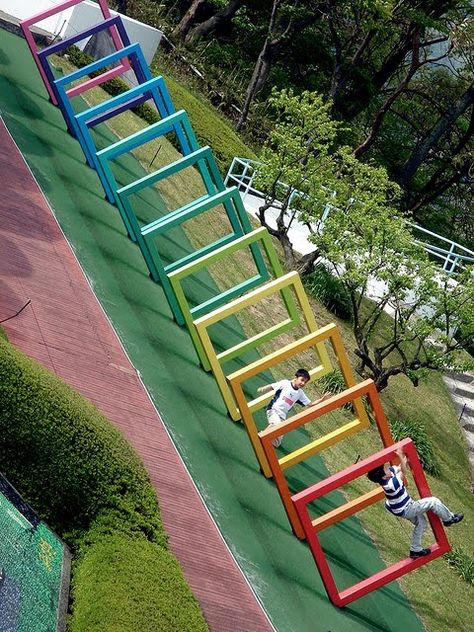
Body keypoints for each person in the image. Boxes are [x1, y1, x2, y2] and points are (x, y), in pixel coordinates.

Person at [367, 448, 464, 558]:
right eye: (385, 470)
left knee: (422, 524)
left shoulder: (387, 475)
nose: (388, 469)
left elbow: (399, 468)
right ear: (384, 476)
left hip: (401, 508)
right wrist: (400, 455)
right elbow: (403, 472)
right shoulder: (390, 484)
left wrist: (407, 458)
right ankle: (449, 519)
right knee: (433, 501)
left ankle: (415, 550)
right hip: (407, 509)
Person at [257, 368, 331, 448]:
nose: (303, 383)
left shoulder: (300, 393)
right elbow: (272, 386)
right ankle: (260, 436)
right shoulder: (285, 383)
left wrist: (322, 399)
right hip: (273, 410)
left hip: (282, 416)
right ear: (295, 378)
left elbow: (310, 404)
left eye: (305, 382)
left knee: (276, 442)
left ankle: (264, 440)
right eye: (302, 380)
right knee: (277, 426)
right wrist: (262, 389)